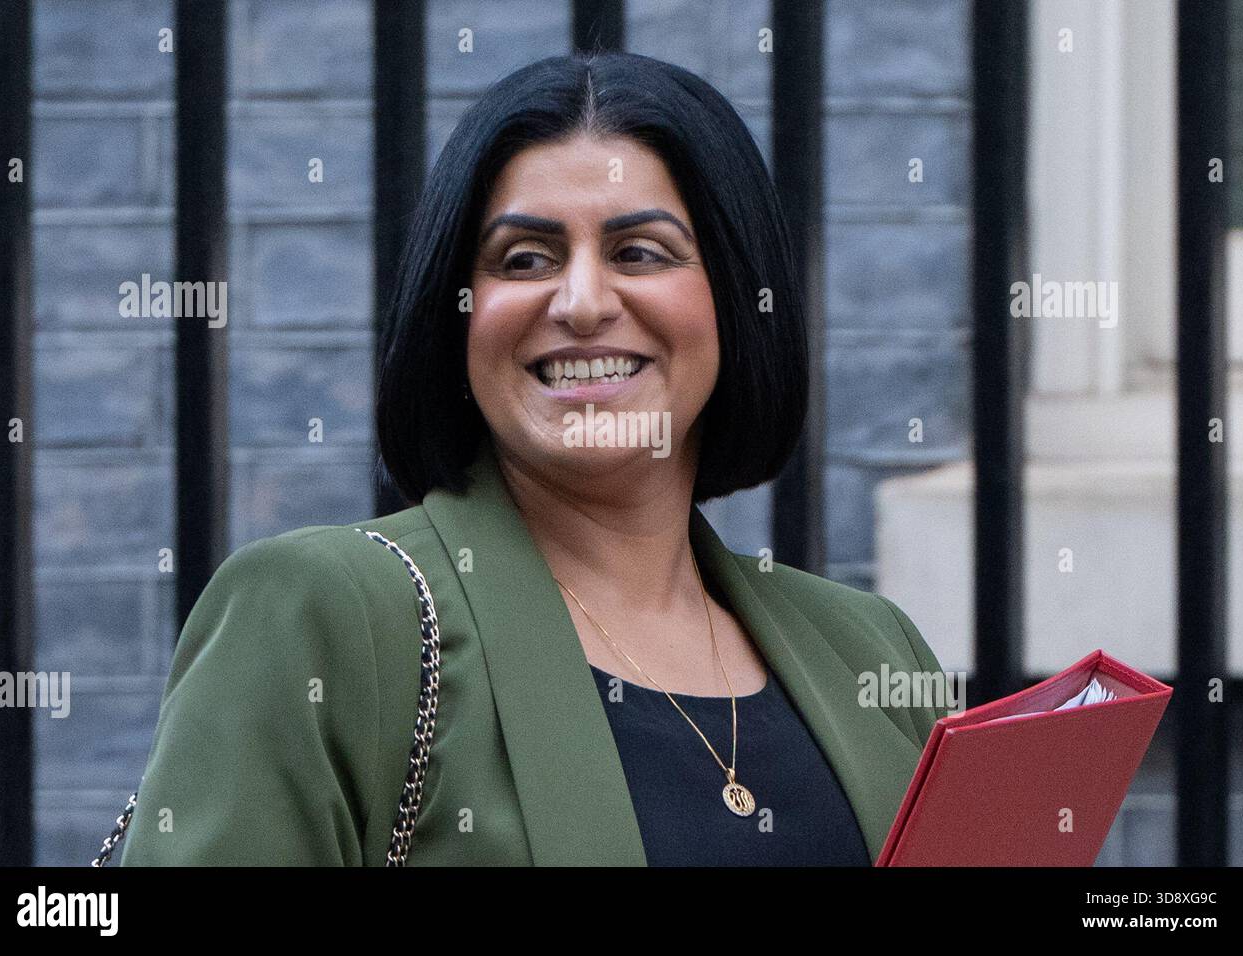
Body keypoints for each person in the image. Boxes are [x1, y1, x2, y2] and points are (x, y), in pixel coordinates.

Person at [118, 50, 948, 867]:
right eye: (525, 260)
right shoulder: (323, 620)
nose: (582, 303)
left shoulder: (871, 650)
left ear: (735, 298)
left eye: (639, 252)